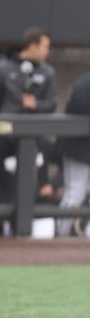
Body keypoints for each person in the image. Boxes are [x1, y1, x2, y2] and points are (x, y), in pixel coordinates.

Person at [0, 27, 56, 208]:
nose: (47, 52)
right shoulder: (3, 67)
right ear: (32, 45)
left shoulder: (47, 72)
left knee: (31, 180)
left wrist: (36, 104)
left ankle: (26, 225)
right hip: (2, 134)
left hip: (32, 137)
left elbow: (52, 104)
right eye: (44, 47)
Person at [56, 70, 90, 237]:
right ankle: (62, 235)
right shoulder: (84, 82)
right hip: (78, 145)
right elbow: (80, 105)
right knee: (75, 192)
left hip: (83, 144)